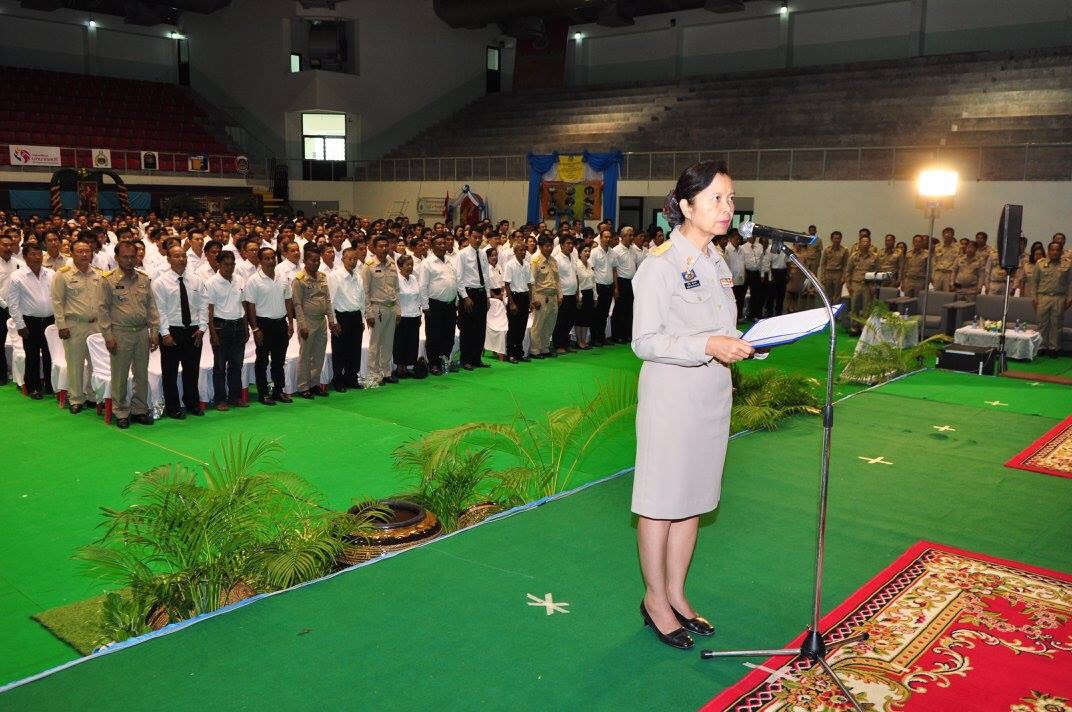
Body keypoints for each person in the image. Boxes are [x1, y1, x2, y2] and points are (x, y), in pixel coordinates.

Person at [632, 161, 754, 651]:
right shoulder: (660, 265)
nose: (727, 208)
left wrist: (742, 344)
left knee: (694, 500)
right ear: (685, 206)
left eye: (730, 199)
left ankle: (677, 594)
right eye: (716, 199)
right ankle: (654, 600)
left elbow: (720, 327)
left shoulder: (717, 262)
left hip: (711, 396)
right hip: (672, 399)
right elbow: (645, 341)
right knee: (661, 502)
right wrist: (708, 345)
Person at [100, 241, 159, 428]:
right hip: (120, 333)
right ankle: (121, 411)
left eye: (132, 256)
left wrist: (154, 332)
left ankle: (139, 409)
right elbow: (103, 310)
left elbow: (151, 307)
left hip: (141, 332)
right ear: (117, 258)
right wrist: (108, 336)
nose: (129, 260)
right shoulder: (108, 280)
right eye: (125, 257)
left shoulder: (144, 279)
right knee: (120, 375)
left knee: (141, 374)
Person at [152, 244, 207, 419]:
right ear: (168, 259)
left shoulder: (196, 280)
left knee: (192, 370)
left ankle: (192, 403)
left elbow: (203, 305)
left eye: (183, 255)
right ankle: (173, 407)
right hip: (172, 330)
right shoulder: (160, 282)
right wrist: (165, 333)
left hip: (193, 330)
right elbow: (160, 310)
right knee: (170, 372)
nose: (181, 259)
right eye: (176, 256)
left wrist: (202, 328)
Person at [51, 238, 102, 413]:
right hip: (75, 325)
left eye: (87, 251)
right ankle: (76, 398)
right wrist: (61, 325)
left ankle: (93, 395)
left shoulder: (99, 274)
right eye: (80, 251)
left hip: (96, 325)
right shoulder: (62, 274)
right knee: (75, 364)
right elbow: (57, 302)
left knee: (96, 363)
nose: (84, 254)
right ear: (71, 254)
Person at [243, 247, 295, 405]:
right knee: (262, 360)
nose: (271, 261)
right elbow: (250, 306)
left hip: (281, 323)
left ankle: (278, 390)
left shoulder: (282, 277)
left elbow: (288, 300)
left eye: (273, 258)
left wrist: (290, 322)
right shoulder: (253, 280)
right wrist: (255, 328)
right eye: (266, 258)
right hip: (263, 324)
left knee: (279, 360)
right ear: (260, 261)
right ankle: (263, 393)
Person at [8, 243, 55, 399]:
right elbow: (13, 303)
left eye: (39, 254)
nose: (37, 257)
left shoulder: (51, 273)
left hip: (50, 320)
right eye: (33, 254)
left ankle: (51, 385)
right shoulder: (17, 276)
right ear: (25, 257)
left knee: (50, 355)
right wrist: (20, 325)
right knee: (32, 355)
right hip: (30, 322)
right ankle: (33, 387)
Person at [203, 251, 248, 411]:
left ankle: (235, 397)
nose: (229, 267)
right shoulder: (211, 283)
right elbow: (209, 310)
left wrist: (246, 327)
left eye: (232, 264)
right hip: (220, 326)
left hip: (238, 325)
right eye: (226, 264)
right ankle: (220, 399)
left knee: (237, 364)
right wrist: (212, 333)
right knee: (220, 366)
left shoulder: (240, 280)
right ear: (218, 264)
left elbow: (243, 304)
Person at [292, 245, 338, 399]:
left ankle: (314, 384)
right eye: (312, 260)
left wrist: (331, 320)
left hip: (321, 321)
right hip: (308, 321)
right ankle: (303, 386)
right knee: (305, 355)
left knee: (319, 354)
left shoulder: (323, 277)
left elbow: (327, 300)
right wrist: (302, 325)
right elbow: (297, 304)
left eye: (318, 260)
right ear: (305, 261)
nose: (316, 263)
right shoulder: (299, 279)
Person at [327, 246, 367, 391]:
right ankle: (338, 379)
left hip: (356, 316)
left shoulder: (358, 276)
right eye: (349, 259)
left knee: (355, 349)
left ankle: (352, 378)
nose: (352, 262)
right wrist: (333, 322)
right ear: (342, 259)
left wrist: (362, 319)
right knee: (340, 351)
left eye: (355, 259)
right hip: (341, 317)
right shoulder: (334, 276)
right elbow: (330, 301)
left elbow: (362, 300)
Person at [419, 235, 458, 375]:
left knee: (449, 334)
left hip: (451, 304)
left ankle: (444, 361)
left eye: (444, 243)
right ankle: (434, 363)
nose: (442, 246)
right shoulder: (427, 263)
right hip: (434, 305)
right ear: (432, 246)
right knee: (434, 336)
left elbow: (455, 281)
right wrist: (425, 306)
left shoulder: (450, 261)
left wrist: (457, 301)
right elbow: (423, 286)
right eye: (439, 243)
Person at [365, 235, 400, 384]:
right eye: (380, 246)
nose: (384, 248)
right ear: (374, 248)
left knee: (388, 342)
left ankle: (386, 372)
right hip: (377, 308)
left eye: (386, 245)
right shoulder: (369, 265)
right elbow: (365, 291)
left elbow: (396, 289)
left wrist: (398, 310)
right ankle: (374, 374)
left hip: (391, 307)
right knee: (376, 343)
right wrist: (369, 313)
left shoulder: (392, 263)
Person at [456, 228, 492, 370]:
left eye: (479, 237)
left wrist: (487, 296)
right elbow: (459, 278)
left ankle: (477, 358)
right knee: (467, 328)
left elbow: (486, 276)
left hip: (481, 292)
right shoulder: (462, 254)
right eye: (475, 237)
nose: (477, 240)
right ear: (469, 237)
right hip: (469, 293)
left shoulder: (482, 253)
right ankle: (466, 359)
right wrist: (465, 297)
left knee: (480, 327)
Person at [1030, 242, 1071, 358]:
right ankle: (1041, 347)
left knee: (1056, 324)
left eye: (1057, 250)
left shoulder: (1067, 264)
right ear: (1048, 251)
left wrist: (1070, 298)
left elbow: (1070, 283)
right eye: (1052, 250)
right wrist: (1034, 298)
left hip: (1059, 297)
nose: (1055, 252)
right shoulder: (1040, 263)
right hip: (1043, 297)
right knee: (1042, 323)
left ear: (1061, 252)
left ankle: (1054, 348)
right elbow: (1034, 282)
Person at [529, 234, 561, 359]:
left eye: (551, 245)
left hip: (552, 296)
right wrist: (533, 300)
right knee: (538, 324)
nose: (549, 248)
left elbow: (557, 280)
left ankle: (545, 348)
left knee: (549, 324)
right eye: (547, 246)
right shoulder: (535, 260)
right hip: (541, 296)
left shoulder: (553, 260)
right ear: (540, 247)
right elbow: (531, 282)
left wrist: (560, 295)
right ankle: (535, 350)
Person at [503, 239, 533, 363]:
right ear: (515, 251)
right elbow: (507, 284)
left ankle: (519, 352)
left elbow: (529, 284)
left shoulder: (527, 265)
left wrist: (531, 301)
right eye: (520, 250)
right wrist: (511, 303)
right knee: (513, 327)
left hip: (524, 297)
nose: (523, 252)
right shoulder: (510, 264)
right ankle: (510, 353)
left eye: (524, 250)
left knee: (522, 326)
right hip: (514, 297)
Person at [393, 255, 422, 379]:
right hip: (402, 316)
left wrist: (419, 314)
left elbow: (418, 296)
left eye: (411, 264)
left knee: (412, 342)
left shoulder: (414, 278)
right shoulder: (396, 279)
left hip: (414, 314)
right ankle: (399, 368)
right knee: (400, 343)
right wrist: (397, 313)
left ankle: (407, 367)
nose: (410, 267)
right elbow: (394, 298)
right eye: (407, 265)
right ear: (400, 266)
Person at [845, 234, 879, 335]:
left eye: (867, 242)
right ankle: (854, 328)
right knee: (854, 307)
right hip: (855, 284)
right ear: (859, 243)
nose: (865, 243)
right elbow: (848, 271)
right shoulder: (854, 256)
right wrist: (848, 285)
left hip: (868, 285)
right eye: (863, 242)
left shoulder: (874, 256)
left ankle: (864, 329)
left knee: (866, 308)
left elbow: (878, 272)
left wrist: (874, 285)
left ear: (870, 244)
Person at [0, 233, 23, 383]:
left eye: (11, 245)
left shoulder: (19, 263)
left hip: (19, 308)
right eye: (4, 245)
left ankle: (21, 375)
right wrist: (6, 306)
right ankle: (2, 375)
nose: (8, 247)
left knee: (22, 342)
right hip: (1, 308)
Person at [552, 234, 579, 354]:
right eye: (568, 243)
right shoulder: (557, 259)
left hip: (572, 293)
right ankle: (558, 345)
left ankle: (566, 343)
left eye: (572, 243)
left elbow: (576, 276)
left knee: (570, 320)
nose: (570, 246)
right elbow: (555, 279)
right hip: (563, 295)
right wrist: (559, 295)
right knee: (561, 321)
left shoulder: (573, 257)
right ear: (561, 245)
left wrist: (578, 294)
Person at [610, 228, 638, 342]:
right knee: (619, 309)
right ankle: (617, 335)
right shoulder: (616, 250)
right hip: (621, 282)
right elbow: (614, 270)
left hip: (632, 282)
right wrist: (616, 288)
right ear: (623, 236)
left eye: (632, 235)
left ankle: (627, 334)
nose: (632, 237)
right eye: (630, 235)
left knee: (629, 309)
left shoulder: (633, 249)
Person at [589, 229, 616, 346]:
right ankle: (594, 338)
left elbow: (614, 270)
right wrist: (593, 288)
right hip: (598, 286)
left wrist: (615, 287)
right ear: (600, 238)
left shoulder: (613, 252)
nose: (608, 239)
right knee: (597, 314)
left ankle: (602, 337)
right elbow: (591, 269)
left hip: (609, 287)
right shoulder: (594, 252)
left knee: (605, 314)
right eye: (605, 237)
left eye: (609, 237)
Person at [574, 244, 596, 349]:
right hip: (581, 294)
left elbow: (593, 281)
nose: (587, 253)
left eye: (588, 251)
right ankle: (579, 341)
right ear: (580, 253)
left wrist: (595, 297)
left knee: (587, 318)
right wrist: (579, 297)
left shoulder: (590, 264)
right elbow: (577, 282)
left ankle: (584, 340)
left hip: (590, 293)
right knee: (579, 320)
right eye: (585, 251)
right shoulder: (577, 265)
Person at [932, 227, 958, 292]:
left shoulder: (958, 248)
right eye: (945, 233)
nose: (947, 235)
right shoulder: (937, 246)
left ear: (953, 235)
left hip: (949, 274)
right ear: (943, 235)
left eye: (949, 233)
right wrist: (933, 275)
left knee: (947, 294)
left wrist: (954, 278)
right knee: (935, 293)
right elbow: (934, 261)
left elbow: (958, 264)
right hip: (938, 273)